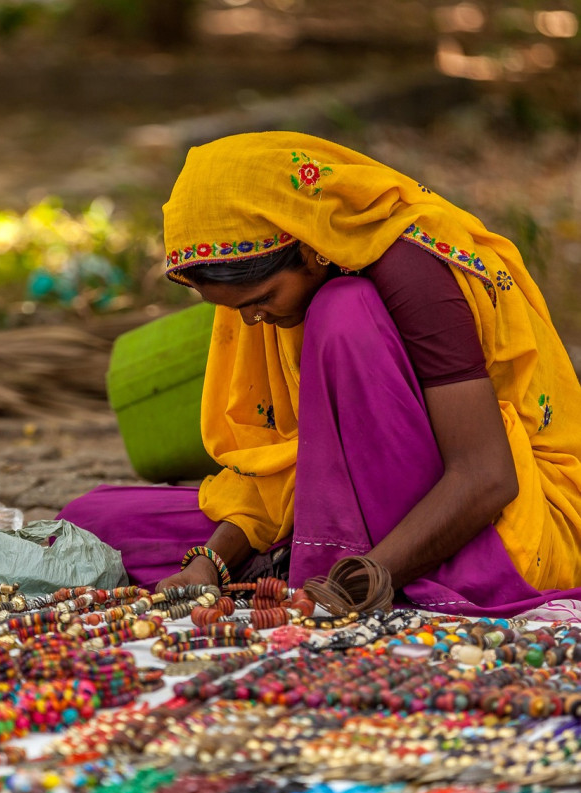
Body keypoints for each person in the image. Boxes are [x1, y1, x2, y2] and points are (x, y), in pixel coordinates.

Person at [57, 131, 581, 617]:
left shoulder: (412, 273)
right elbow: (284, 464)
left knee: (342, 310)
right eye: (237, 308)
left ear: (309, 246)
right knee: (91, 521)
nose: (252, 321)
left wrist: (360, 579)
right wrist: (209, 563)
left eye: (260, 301)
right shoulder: (282, 287)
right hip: (366, 500)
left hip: (504, 525)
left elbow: (486, 478)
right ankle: (314, 553)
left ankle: (336, 558)